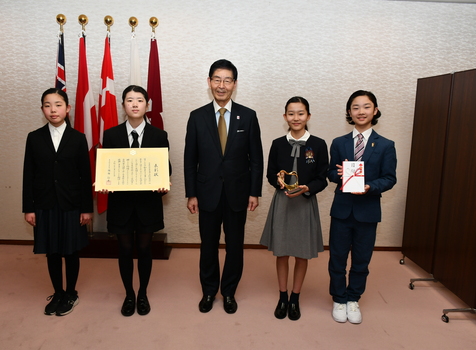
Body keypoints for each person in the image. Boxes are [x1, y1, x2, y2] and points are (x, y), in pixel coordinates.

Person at [184, 59, 263, 314]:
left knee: (235, 246)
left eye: (227, 80)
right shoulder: (196, 117)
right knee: (208, 245)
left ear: (235, 84)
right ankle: (209, 291)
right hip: (206, 193)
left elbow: (256, 158)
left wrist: (254, 191)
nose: (222, 85)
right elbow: (189, 159)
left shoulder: (248, 116)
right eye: (217, 79)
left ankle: (229, 291)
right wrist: (191, 193)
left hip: (238, 193)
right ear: (209, 83)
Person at [100, 85, 171, 317]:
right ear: (123, 106)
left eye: (139, 100)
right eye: (129, 100)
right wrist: (105, 180)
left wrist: (163, 183)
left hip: (147, 204)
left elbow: (165, 168)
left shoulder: (159, 135)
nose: (134, 104)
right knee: (124, 249)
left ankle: (143, 293)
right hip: (121, 205)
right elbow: (106, 168)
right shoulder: (110, 135)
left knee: (144, 249)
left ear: (147, 106)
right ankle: (129, 293)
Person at [328, 90, 397, 324]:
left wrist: (369, 186)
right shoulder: (338, 143)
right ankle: (338, 298)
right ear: (349, 112)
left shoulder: (386, 145)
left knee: (361, 259)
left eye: (366, 107)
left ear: (375, 111)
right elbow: (330, 172)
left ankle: (352, 298)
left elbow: (389, 178)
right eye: (355, 107)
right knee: (337, 257)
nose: (361, 111)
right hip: (342, 210)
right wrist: (339, 175)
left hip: (368, 211)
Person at [22, 88, 93, 316]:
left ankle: (71, 293)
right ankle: (58, 292)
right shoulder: (34, 137)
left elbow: (85, 176)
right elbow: (28, 175)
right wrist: (29, 208)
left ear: (68, 108)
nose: (53, 109)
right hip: (45, 204)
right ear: (42, 109)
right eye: (47, 105)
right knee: (51, 251)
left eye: (58, 104)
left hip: (72, 204)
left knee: (71, 251)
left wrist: (86, 209)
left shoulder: (78, 138)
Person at [260, 96, 328, 321]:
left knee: (301, 254)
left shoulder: (318, 144)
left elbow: (323, 178)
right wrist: (277, 182)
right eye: (291, 113)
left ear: (308, 116)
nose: (296, 118)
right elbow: (270, 173)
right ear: (284, 117)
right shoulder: (278, 143)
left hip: (305, 203)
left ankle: (295, 298)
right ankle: (282, 297)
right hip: (283, 203)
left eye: (300, 113)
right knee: (281, 252)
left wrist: (308, 187)